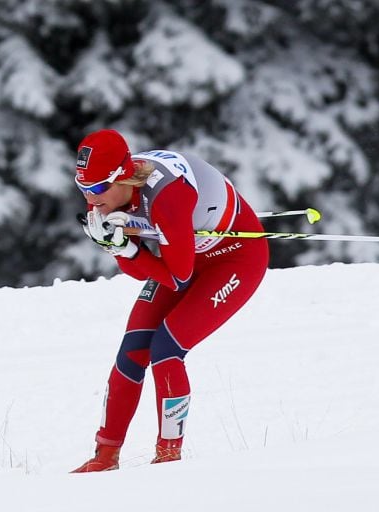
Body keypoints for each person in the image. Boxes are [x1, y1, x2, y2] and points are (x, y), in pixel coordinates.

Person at [70, 129, 269, 473]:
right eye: (83, 189)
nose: (92, 199)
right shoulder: (112, 192)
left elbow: (177, 276)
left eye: (99, 189)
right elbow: (144, 270)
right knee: (132, 351)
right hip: (180, 259)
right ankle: (105, 457)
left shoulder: (167, 197)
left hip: (233, 260)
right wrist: (121, 245)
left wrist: (125, 246)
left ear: (123, 176)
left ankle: (168, 459)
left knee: (166, 348)